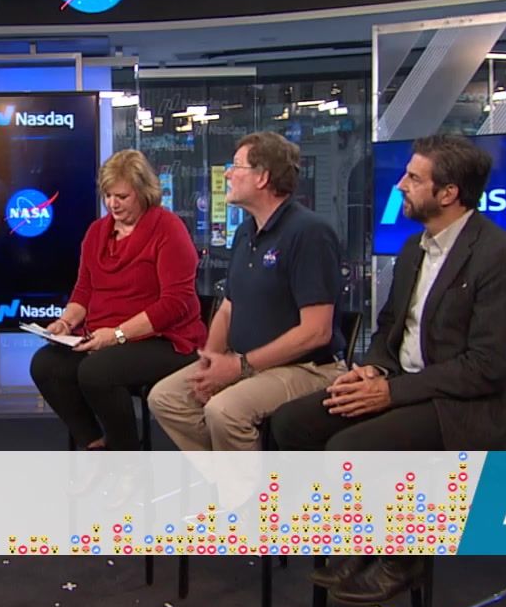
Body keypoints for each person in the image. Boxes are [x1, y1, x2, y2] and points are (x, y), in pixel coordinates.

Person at [271, 134, 506, 605]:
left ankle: (402, 556)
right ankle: (360, 537)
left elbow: (489, 367)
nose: (400, 185)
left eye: (414, 178)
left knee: (351, 447)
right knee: (293, 423)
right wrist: (373, 369)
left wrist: (392, 393)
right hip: (406, 384)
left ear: (448, 193)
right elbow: (390, 326)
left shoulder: (502, 257)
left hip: (467, 405)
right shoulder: (415, 247)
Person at [147, 132, 347, 451]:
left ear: (262, 177)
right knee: (166, 398)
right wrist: (211, 360)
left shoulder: (309, 233)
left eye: (236, 166)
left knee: (224, 411)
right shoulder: (245, 232)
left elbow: (316, 332)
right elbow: (229, 307)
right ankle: (231, 474)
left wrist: (240, 367)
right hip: (245, 362)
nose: (227, 174)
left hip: (305, 369)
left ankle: (244, 481)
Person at [30, 150, 206, 451]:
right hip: (103, 338)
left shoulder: (168, 228)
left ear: (143, 192)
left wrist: (116, 335)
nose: (113, 203)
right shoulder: (97, 232)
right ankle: (95, 445)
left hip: (164, 340)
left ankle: (127, 458)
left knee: (97, 372)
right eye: (108, 195)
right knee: (46, 364)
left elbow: (175, 303)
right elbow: (84, 291)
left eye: (122, 196)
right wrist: (65, 323)